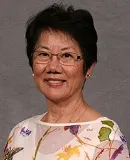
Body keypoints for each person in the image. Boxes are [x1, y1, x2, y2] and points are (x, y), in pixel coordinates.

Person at [2, 3, 130, 160]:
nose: (53, 67)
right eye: (43, 54)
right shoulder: (19, 133)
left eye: (67, 55)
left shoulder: (106, 141)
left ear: (88, 67)